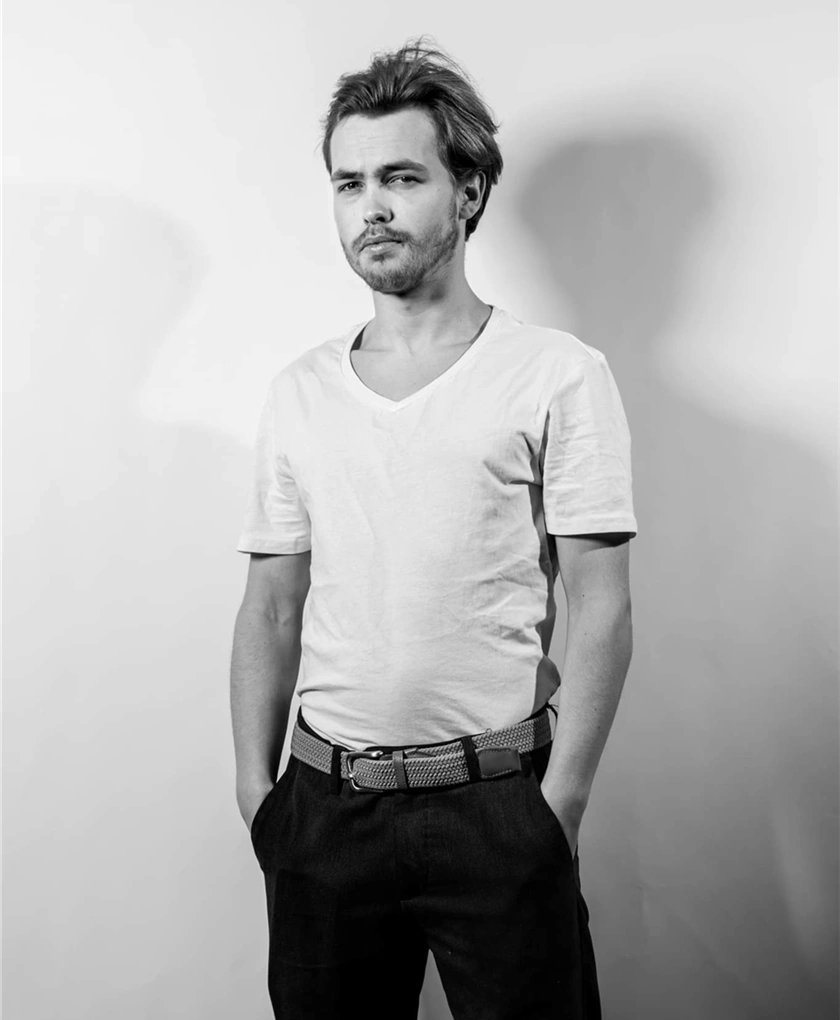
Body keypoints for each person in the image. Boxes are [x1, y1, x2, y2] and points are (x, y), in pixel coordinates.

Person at [230, 36, 637, 1020]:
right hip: (326, 809)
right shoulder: (299, 391)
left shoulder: (557, 374)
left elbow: (603, 607)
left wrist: (558, 806)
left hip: (496, 804)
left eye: (402, 177)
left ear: (469, 192)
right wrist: (258, 795)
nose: (371, 206)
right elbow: (271, 607)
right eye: (350, 183)